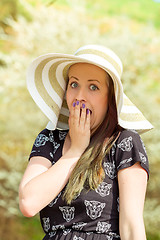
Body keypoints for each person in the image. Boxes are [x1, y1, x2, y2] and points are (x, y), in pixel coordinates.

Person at [19, 44, 153, 240]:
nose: (80, 97)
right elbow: (28, 203)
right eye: (74, 84)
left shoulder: (125, 143)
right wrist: (75, 151)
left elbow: (132, 226)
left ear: (110, 99)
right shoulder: (49, 139)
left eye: (93, 87)